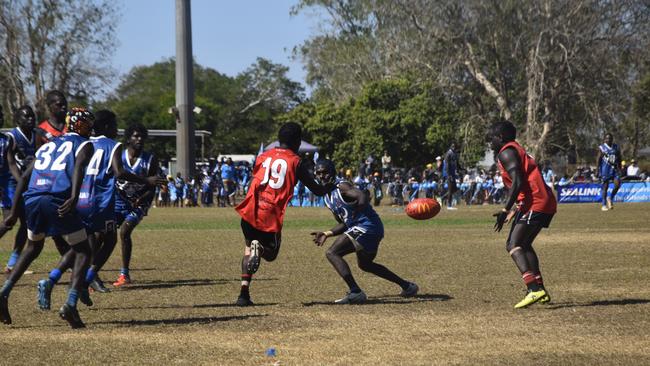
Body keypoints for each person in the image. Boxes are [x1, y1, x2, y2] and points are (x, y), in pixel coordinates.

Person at [36, 110, 166, 304]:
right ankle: (86, 281)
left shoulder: (85, 142)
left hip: (78, 198)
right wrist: (146, 180)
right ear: (106, 127)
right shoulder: (113, 145)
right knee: (110, 240)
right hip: (97, 201)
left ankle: (51, 279)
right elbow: (119, 172)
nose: (116, 129)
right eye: (114, 125)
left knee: (80, 245)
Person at [0, 108, 95, 328]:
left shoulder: (49, 144)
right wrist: (73, 196)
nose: (91, 129)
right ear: (80, 126)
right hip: (56, 198)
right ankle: (70, 304)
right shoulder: (84, 144)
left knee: (33, 247)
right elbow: (79, 165)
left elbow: (24, 176)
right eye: (88, 125)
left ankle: (4, 292)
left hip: (33, 198)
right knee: (83, 249)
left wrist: (15, 210)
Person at [234, 122, 335, 306]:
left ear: (279, 139)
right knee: (270, 255)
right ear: (297, 142)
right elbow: (317, 190)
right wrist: (331, 186)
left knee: (248, 249)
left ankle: (243, 294)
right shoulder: (296, 162)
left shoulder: (262, 157)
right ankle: (261, 249)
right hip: (270, 214)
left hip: (250, 209)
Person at [311, 159, 418, 304]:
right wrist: (326, 233)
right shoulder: (327, 198)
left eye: (325, 172)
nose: (322, 176)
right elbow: (344, 223)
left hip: (368, 226)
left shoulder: (341, 186)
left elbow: (362, 196)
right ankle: (407, 286)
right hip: (369, 228)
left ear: (332, 172)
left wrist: (358, 212)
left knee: (332, 253)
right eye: (318, 173)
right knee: (365, 265)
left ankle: (355, 291)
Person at [490, 120, 557, 309]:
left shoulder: (506, 152)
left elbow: (518, 181)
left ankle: (533, 289)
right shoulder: (515, 150)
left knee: (513, 244)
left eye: (492, 138)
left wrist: (505, 210)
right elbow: (525, 181)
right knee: (525, 244)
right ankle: (540, 290)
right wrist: (515, 210)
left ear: (500, 137)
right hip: (541, 201)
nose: (490, 143)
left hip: (535, 202)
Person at [112, 124, 159, 287]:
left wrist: (142, 199)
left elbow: (153, 185)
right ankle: (92, 274)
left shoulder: (150, 159)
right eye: (136, 136)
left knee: (125, 231)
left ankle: (124, 274)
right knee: (104, 235)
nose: (139, 139)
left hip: (139, 204)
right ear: (128, 138)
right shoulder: (119, 156)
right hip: (117, 202)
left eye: (142, 136)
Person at [1, 105, 33, 273]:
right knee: (9, 222)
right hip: (9, 185)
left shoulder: (34, 136)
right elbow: (11, 164)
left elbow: (16, 163)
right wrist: (21, 182)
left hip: (21, 184)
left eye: (32, 116)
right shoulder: (11, 137)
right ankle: (13, 263)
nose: (31, 119)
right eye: (26, 117)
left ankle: (13, 263)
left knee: (25, 223)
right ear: (17, 120)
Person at [595, 133, 622, 211]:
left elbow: (619, 158)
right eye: (607, 138)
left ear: (612, 139)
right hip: (605, 170)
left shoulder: (616, 147)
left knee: (617, 185)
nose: (608, 140)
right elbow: (598, 159)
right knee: (605, 187)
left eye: (610, 138)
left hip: (614, 170)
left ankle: (610, 198)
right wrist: (597, 170)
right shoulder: (602, 148)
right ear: (604, 139)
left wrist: (620, 168)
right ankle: (603, 205)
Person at [443, 143, 459, 209]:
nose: (454, 148)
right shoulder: (448, 154)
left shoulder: (454, 153)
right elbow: (447, 165)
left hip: (453, 173)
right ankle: (449, 205)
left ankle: (445, 198)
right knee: (450, 189)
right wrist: (448, 174)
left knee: (454, 189)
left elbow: (456, 164)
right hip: (449, 174)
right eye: (453, 147)